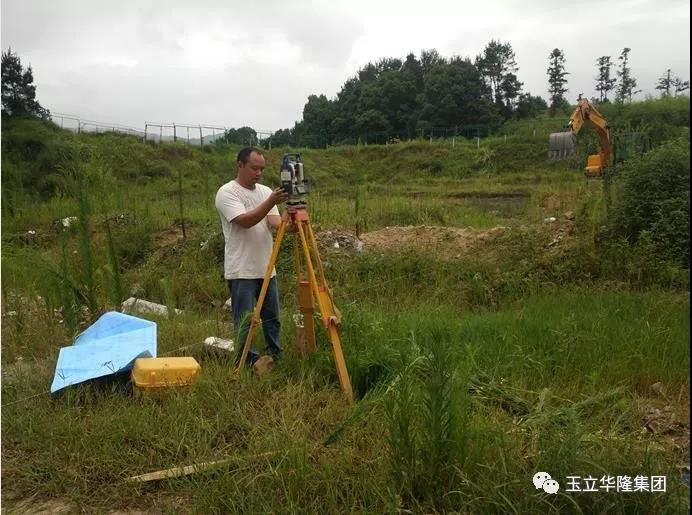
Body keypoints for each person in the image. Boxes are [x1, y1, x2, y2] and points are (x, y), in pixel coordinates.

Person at [215, 146, 289, 367]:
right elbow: (245, 221)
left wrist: (292, 218)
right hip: (242, 270)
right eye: (254, 168)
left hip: (266, 267)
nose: (258, 173)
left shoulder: (266, 191)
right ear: (240, 165)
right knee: (246, 321)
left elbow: (275, 223)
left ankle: (274, 355)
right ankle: (248, 361)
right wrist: (271, 202)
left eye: (262, 169)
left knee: (272, 318)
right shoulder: (227, 193)